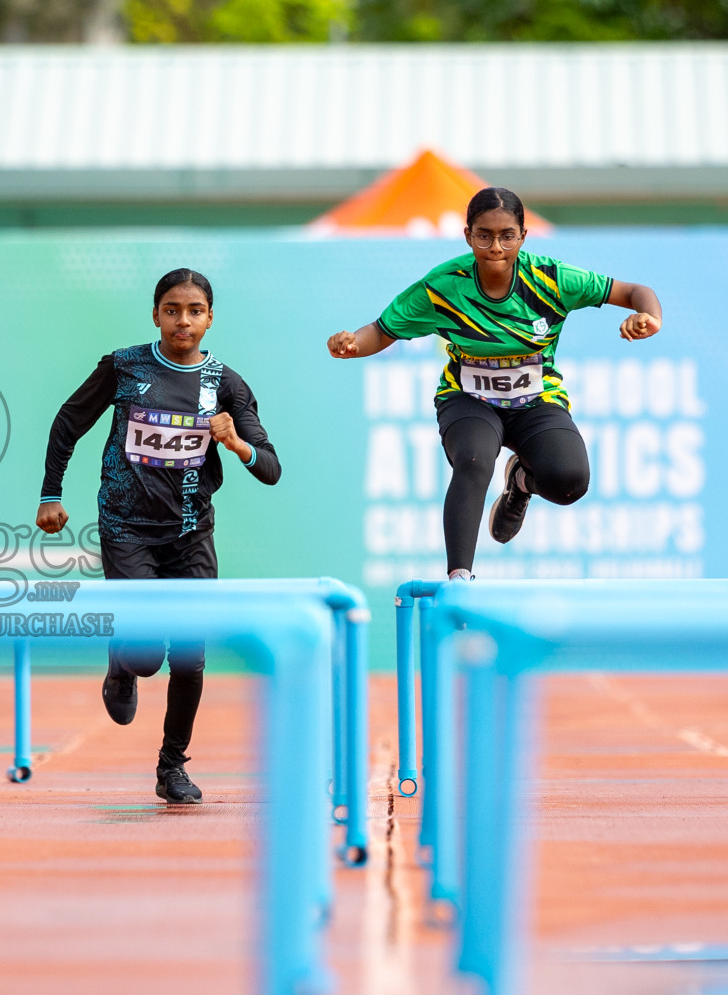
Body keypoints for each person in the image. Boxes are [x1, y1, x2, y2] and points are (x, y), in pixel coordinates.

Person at [326, 187, 663, 580]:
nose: (495, 247)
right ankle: (459, 578)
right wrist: (352, 345)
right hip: (467, 398)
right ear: (468, 235)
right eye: (484, 235)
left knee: (570, 481)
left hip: (536, 399)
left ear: (522, 236)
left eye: (507, 236)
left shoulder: (553, 279)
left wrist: (648, 316)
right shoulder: (445, 285)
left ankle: (519, 481)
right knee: (473, 460)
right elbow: (383, 330)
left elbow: (635, 292)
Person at [36, 268, 281, 804]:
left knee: (190, 656)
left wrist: (237, 443)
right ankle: (123, 664)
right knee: (148, 656)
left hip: (191, 533)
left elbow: (270, 468)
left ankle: (172, 767)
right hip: (128, 528)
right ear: (156, 314)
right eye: (172, 310)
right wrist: (50, 494)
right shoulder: (124, 366)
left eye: (195, 311)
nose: (183, 321)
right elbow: (67, 422)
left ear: (210, 318)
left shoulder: (227, 384)